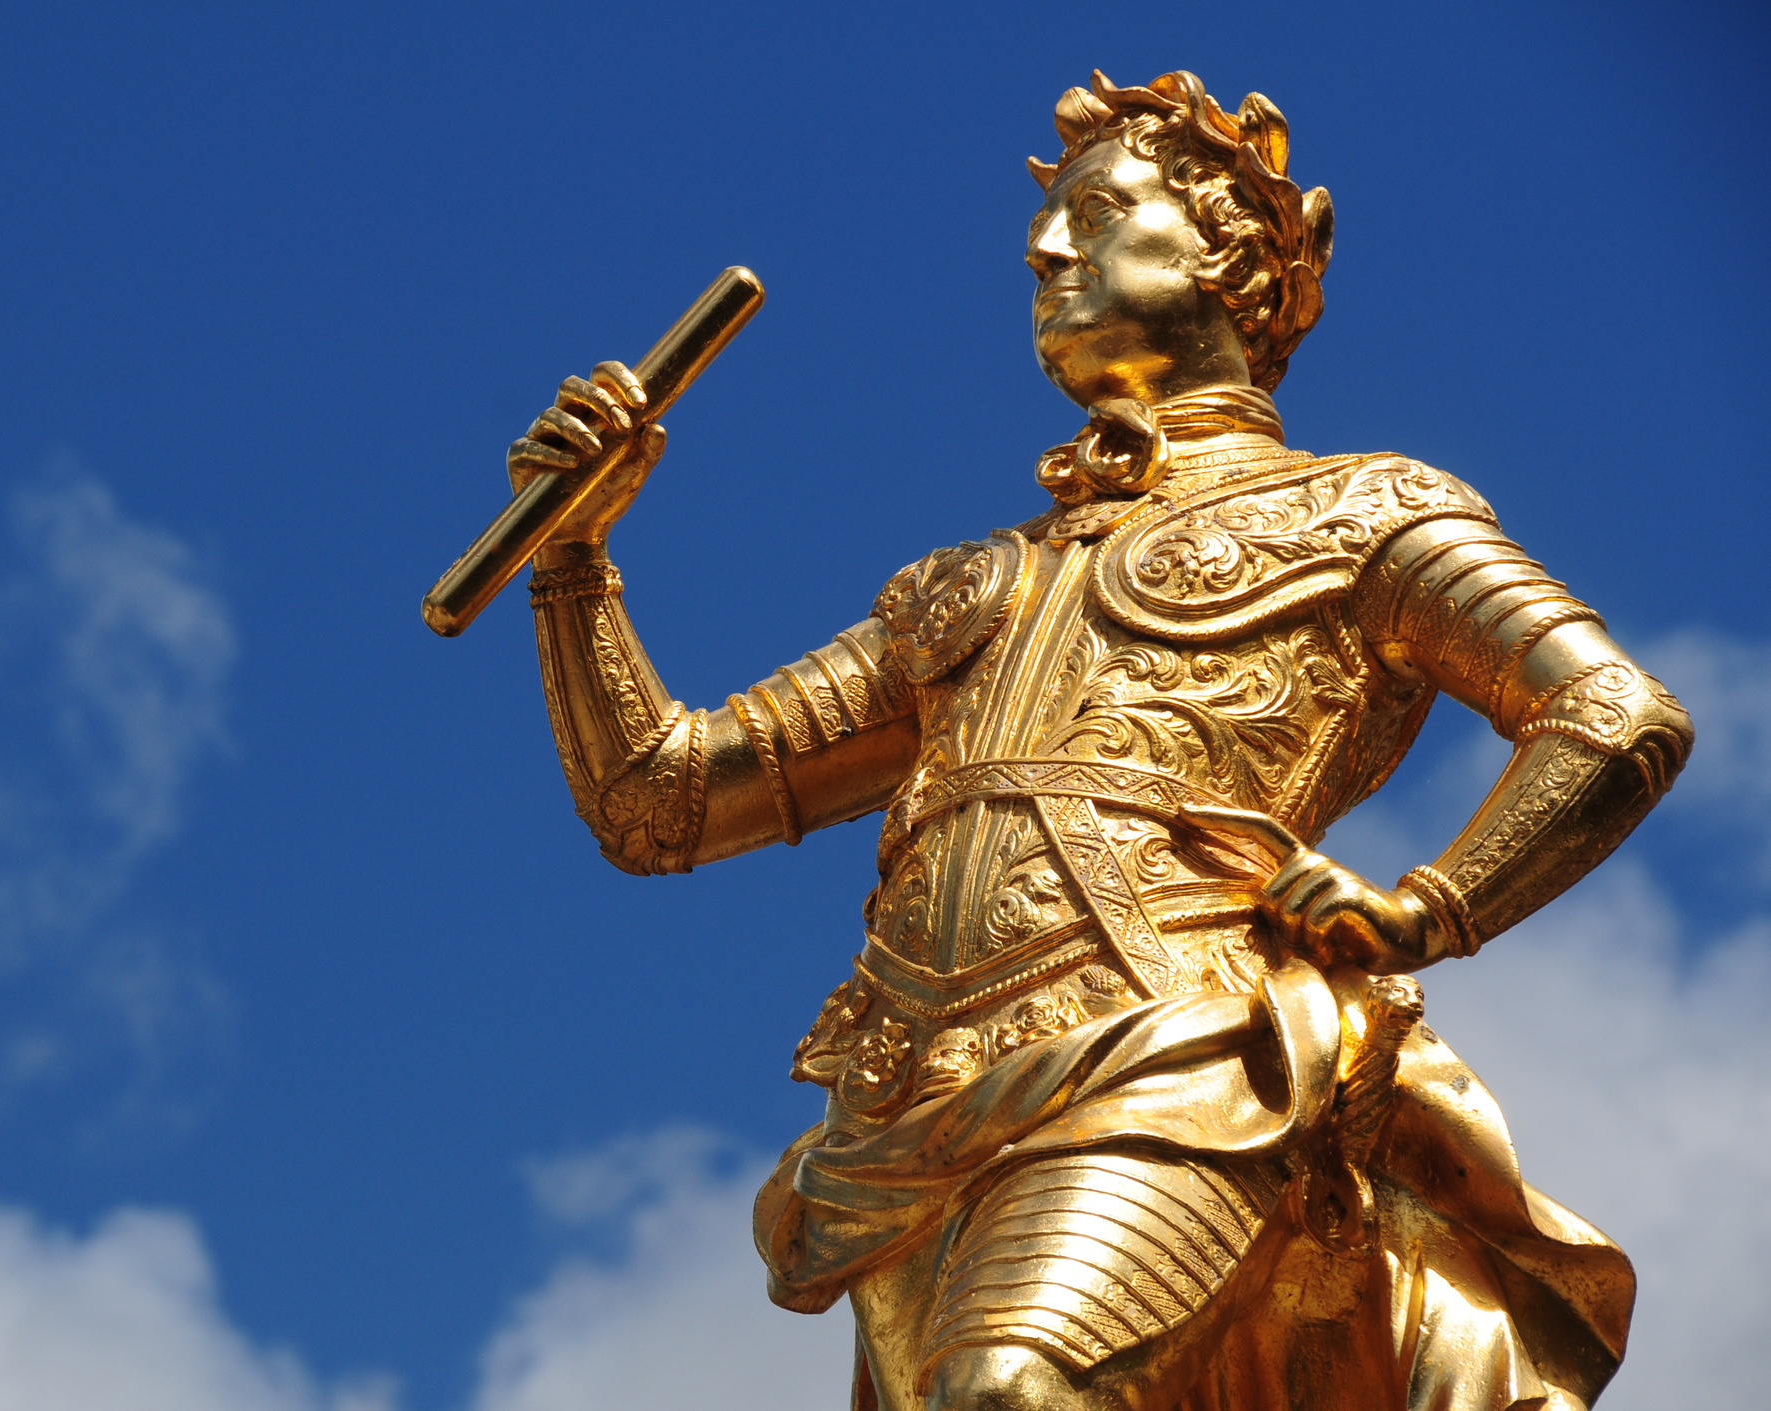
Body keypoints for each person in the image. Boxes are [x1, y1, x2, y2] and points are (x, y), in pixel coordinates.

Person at [500, 69, 1689, 1411]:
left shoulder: (1370, 512)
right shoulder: (961, 589)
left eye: (1100, 210)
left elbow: (1612, 715)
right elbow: (661, 800)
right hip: (910, 1100)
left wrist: (1430, 907)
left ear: (1234, 258)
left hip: (1180, 1050)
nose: (1049, 248)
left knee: (1011, 1390)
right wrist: (573, 559)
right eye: (1043, 229)